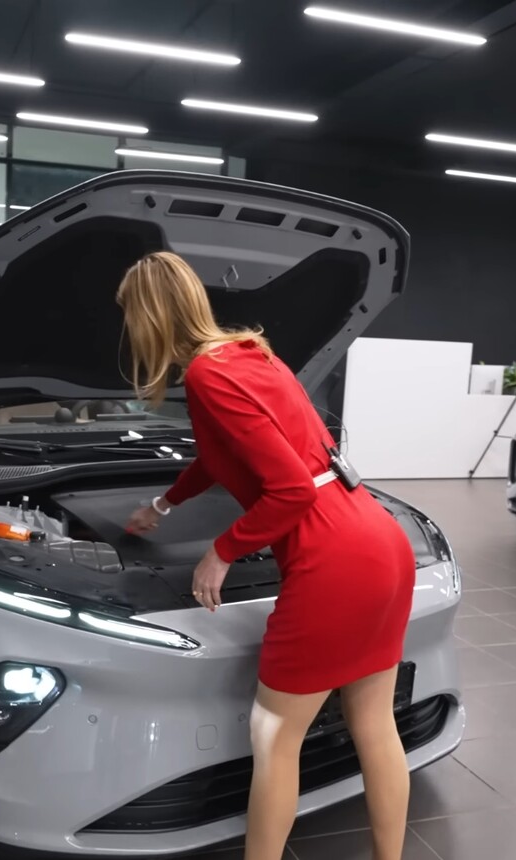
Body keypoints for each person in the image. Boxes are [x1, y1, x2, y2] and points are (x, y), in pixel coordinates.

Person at [117, 251, 417, 860]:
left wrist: (221, 553)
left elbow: (290, 490)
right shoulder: (250, 353)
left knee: (274, 733)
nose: (128, 328)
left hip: (331, 557)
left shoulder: (206, 376)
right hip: (380, 540)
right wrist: (163, 506)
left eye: (129, 315)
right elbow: (222, 456)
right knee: (374, 723)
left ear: (149, 317)